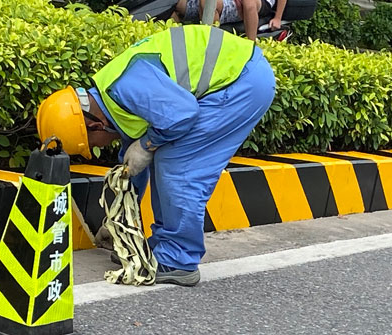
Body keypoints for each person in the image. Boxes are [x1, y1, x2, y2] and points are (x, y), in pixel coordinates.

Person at [36, 25, 275, 286]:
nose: (98, 148)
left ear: (94, 125)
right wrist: (117, 224)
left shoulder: (128, 88)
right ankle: (164, 244)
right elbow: (130, 167)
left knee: (178, 163)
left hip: (241, 83)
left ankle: (178, 259)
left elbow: (182, 115)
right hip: (240, 75)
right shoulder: (112, 97)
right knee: (163, 153)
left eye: (92, 145)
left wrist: (148, 144)